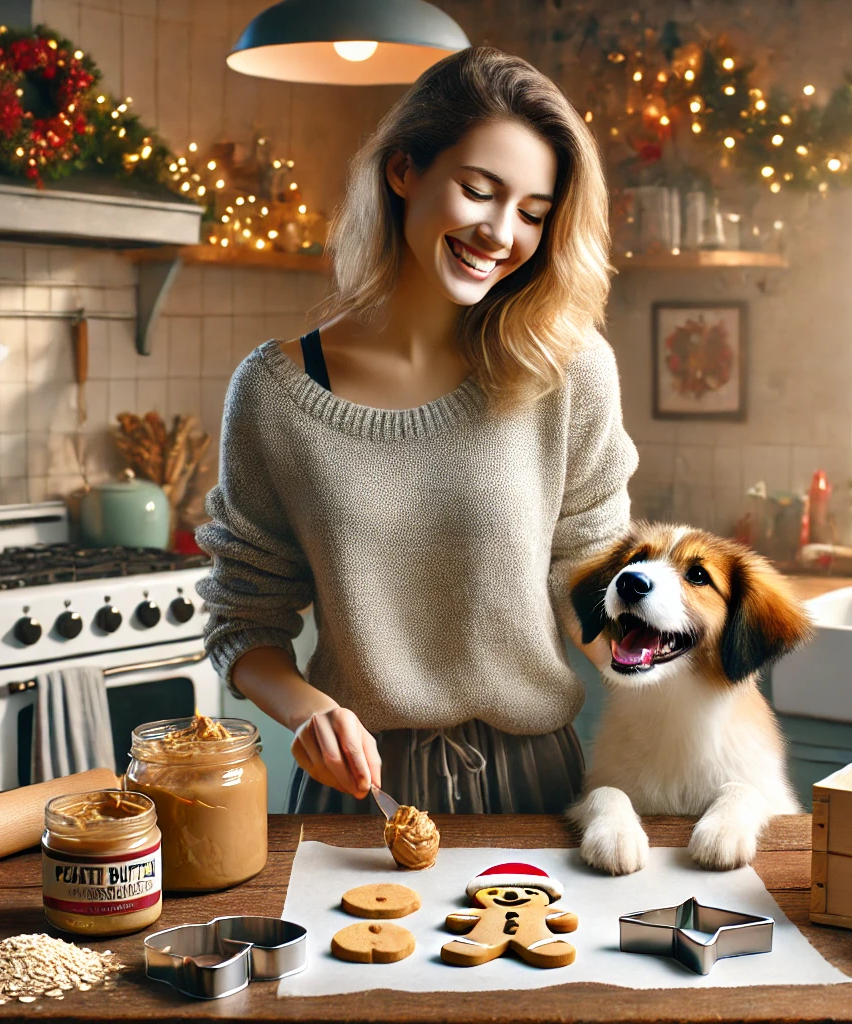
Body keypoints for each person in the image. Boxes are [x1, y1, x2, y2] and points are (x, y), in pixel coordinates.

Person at [195, 46, 635, 815]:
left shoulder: (570, 372)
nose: (502, 232)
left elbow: (590, 581)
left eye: (533, 213)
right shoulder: (274, 393)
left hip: (533, 788)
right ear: (404, 171)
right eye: (479, 191)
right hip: (356, 793)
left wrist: (673, 671)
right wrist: (310, 712)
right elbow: (245, 620)